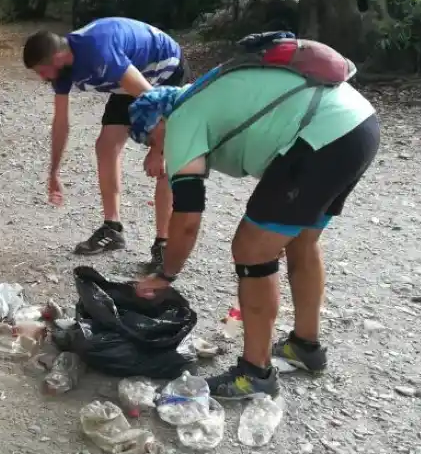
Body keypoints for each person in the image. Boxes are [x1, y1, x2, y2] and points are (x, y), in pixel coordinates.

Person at [129, 62, 379, 399]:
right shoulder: (204, 96)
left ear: (158, 121)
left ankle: (255, 373)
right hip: (358, 125)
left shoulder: (182, 119)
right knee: (301, 240)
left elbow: (187, 219)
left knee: (251, 249)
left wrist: (167, 275)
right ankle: (305, 346)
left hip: (324, 134)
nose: (155, 148)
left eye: (150, 139)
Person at [22, 18, 187, 268]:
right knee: (106, 146)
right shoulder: (62, 70)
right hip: (130, 75)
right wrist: (54, 172)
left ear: (56, 58)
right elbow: (61, 124)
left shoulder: (98, 52)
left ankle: (163, 244)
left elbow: (154, 100)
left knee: (168, 158)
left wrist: (158, 150)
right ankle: (113, 229)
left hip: (164, 70)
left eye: (41, 71)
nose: (41, 78)